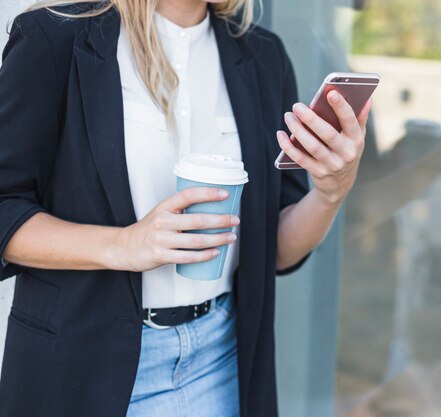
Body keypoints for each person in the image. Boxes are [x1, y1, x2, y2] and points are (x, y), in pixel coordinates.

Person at [0, 0, 371, 416]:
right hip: (81, 367)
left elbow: (277, 249)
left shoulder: (264, 56)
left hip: (221, 359)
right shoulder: (54, 38)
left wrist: (329, 192)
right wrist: (122, 245)